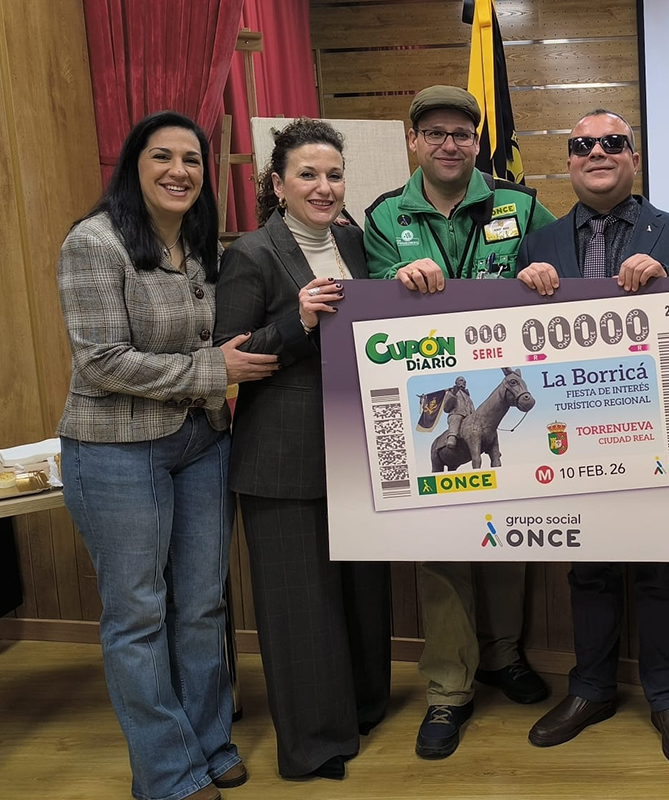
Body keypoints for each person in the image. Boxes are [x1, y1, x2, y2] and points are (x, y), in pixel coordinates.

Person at [57, 110, 277, 800]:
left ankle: (211, 744)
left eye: (192, 159)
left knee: (204, 606)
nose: (180, 170)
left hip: (202, 442)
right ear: (134, 166)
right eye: (162, 157)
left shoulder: (206, 248)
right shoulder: (95, 243)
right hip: (117, 448)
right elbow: (102, 363)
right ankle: (167, 772)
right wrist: (215, 372)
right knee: (138, 614)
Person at [517, 109, 669, 768]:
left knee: (662, 572)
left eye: (612, 142)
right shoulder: (537, 244)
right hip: (573, 440)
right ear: (569, 162)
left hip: (657, 434)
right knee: (590, 570)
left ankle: (666, 696)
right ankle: (592, 690)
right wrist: (522, 293)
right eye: (582, 145)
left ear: (634, 157)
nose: (596, 151)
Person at [364, 85, 556, 759]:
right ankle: (449, 688)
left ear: (479, 141)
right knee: (442, 550)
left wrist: (546, 271)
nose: (451, 144)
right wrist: (397, 279)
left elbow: (563, 270)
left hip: (503, 377)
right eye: (436, 133)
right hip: (436, 391)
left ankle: (505, 656)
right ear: (413, 139)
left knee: (510, 539)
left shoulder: (522, 203)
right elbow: (369, 309)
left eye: (463, 134)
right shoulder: (385, 217)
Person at [213, 119, 392, 781]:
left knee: (361, 591)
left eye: (334, 174)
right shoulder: (252, 254)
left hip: (357, 447)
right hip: (281, 458)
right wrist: (300, 319)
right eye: (308, 175)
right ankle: (315, 745)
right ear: (277, 183)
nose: (323, 187)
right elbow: (233, 358)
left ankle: (362, 709)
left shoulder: (354, 240)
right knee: (300, 604)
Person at [443, 376, 472, 449]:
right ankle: (452, 437)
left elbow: (472, 407)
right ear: (456, 383)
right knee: (456, 418)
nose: (464, 382)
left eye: (465, 381)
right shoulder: (451, 392)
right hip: (456, 414)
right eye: (461, 380)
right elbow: (446, 408)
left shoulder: (467, 396)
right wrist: (453, 394)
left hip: (468, 416)